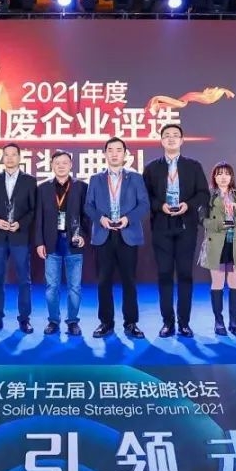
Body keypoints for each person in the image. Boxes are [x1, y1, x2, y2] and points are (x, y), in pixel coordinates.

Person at [143, 124, 209, 338]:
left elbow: (203, 194)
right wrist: (160, 205)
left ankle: (184, 323)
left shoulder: (193, 166)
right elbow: (145, 196)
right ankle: (167, 322)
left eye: (175, 135)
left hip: (186, 226)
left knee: (185, 275)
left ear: (182, 140)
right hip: (161, 226)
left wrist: (188, 205)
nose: (171, 139)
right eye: (167, 136)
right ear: (161, 140)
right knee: (164, 274)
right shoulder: (152, 168)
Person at [85, 137, 149, 339]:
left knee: (129, 281)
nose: (114, 154)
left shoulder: (135, 178)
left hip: (127, 234)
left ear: (125, 154)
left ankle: (131, 323)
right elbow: (88, 206)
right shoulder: (95, 179)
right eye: (110, 150)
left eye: (118, 150)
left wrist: (127, 219)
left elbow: (144, 205)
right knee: (103, 281)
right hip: (103, 235)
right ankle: (106, 322)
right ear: (105, 154)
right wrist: (101, 219)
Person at [0, 143, 37, 334]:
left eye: (13, 154)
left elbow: (33, 209)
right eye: (6, 154)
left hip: (20, 236)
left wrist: (20, 223)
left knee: (24, 279)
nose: (9, 158)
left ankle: (24, 319)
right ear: (2, 158)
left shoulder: (30, 181)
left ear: (19, 157)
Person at [35, 150, 88, 336]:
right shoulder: (43, 188)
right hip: (51, 242)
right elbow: (38, 218)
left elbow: (86, 216)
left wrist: (83, 235)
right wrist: (39, 242)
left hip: (74, 241)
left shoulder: (81, 187)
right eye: (57, 163)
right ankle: (53, 321)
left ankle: (73, 321)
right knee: (52, 287)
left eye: (65, 162)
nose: (61, 166)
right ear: (52, 165)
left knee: (75, 287)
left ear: (71, 165)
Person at [199, 162, 236, 336]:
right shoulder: (208, 195)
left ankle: (234, 321)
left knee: (235, 283)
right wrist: (219, 224)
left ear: (231, 177)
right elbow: (202, 220)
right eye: (219, 173)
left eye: (227, 174)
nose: (223, 177)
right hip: (217, 243)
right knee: (218, 283)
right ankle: (219, 321)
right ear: (214, 177)